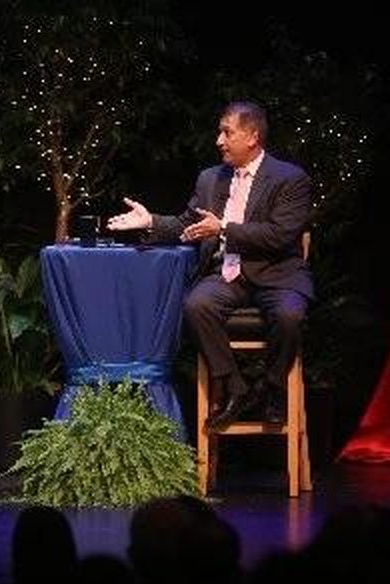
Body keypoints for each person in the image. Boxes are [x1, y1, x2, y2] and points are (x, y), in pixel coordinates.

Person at [107, 101, 312, 431]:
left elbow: (280, 235)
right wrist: (151, 223)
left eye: (227, 132)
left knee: (290, 313)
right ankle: (236, 388)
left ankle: (273, 389)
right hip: (227, 274)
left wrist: (225, 230)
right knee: (196, 304)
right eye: (220, 132)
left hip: (278, 275)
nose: (219, 140)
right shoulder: (210, 179)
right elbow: (189, 223)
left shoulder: (289, 178)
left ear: (252, 136)